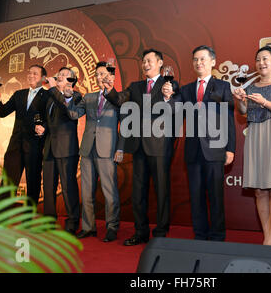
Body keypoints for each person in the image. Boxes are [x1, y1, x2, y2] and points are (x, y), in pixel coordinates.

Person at [103, 49, 179, 246]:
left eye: (149, 60)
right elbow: (118, 100)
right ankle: (140, 232)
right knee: (138, 192)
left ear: (160, 63)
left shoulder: (170, 84)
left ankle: (161, 233)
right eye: (143, 61)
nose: (145, 64)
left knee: (162, 191)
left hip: (160, 145)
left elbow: (176, 111)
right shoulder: (135, 86)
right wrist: (109, 88)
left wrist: (168, 98)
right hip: (138, 147)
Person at [162, 45, 236, 241]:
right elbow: (174, 112)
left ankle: (218, 235)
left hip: (215, 149)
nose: (198, 63)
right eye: (195, 59)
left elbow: (228, 119)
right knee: (196, 196)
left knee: (216, 197)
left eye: (202, 59)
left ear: (213, 62)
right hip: (193, 151)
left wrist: (230, 149)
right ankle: (200, 235)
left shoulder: (223, 87)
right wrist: (168, 96)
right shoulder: (186, 90)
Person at [233, 46, 271, 246]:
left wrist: (265, 102)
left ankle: (270, 238)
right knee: (259, 189)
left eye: (266, 59)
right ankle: (269, 237)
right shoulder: (250, 87)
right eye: (258, 59)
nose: (262, 63)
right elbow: (243, 112)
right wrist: (240, 100)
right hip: (255, 134)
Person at [66, 62, 124, 242]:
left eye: (103, 74)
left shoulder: (119, 98)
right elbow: (74, 115)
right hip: (87, 149)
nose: (99, 78)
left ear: (111, 76)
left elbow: (126, 125)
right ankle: (88, 227)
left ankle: (112, 226)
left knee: (109, 191)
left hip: (107, 149)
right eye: (97, 74)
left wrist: (120, 148)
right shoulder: (89, 97)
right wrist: (68, 99)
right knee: (86, 191)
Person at [0, 64, 50, 205]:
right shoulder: (19, 94)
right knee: (7, 184)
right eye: (29, 73)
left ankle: (28, 220)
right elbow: (2, 112)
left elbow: (52, 119)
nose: (30, 75)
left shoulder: (48, 95)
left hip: (35, 147)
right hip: (15, 147)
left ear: (43, 78)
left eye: (35, 73)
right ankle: (1, 218)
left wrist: (44, 128)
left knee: (33, 185)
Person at [41, 67, 81, 235]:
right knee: (49, 186)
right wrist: (41, 126)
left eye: (65, 76)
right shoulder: (51, 96)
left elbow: (68, 112)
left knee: (67, 186)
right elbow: (49, 119)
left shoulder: (75, 96)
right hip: (49, 146)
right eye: (60, 74)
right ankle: (49, 221)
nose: (60, 76)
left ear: (71, 81)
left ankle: (72, 221)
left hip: (66, 147)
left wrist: (53, 89)